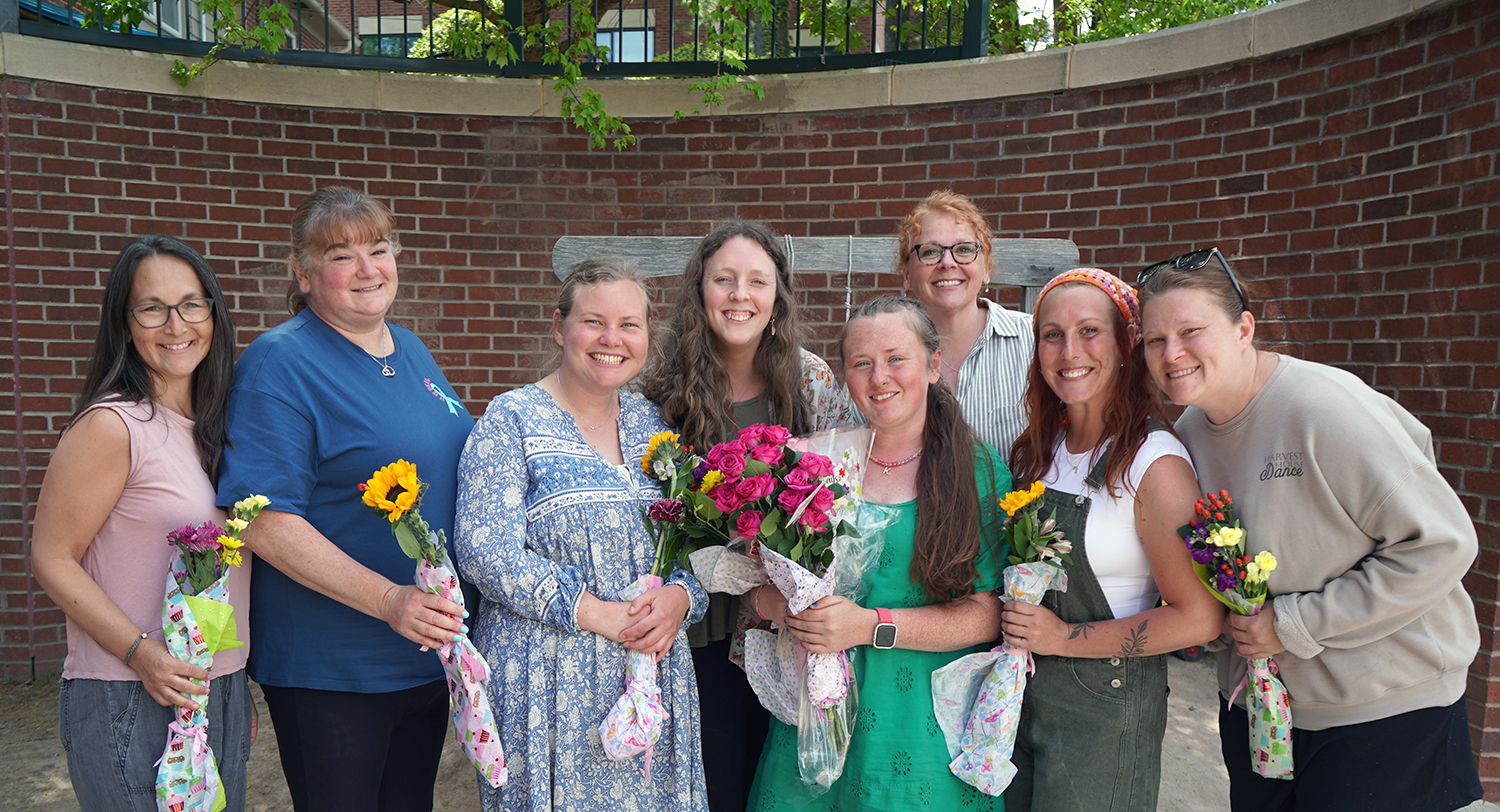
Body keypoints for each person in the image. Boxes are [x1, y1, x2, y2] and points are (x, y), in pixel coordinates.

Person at [1136, 248, 1482, 812]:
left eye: (1191, 330)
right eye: (1155, 340)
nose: (1172, 354)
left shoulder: (1324, 408)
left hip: (1380, 714)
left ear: (1244, 328)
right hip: (1261, 711)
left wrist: (1294, 624)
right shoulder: (1192, 429)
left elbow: (1444, 543)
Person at [216, 187, 475, 812]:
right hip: (332, 664)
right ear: (303, 275)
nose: (367, 269)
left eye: (378, 250)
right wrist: (389, 600)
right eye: (342, 255)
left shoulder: (408, 348)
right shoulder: (281, 363)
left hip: (418, 655)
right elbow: (262, 520)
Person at [456, 259, 709, 812]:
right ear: (559, 327)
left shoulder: (654, 425)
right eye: (594, 321)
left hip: (650, 674)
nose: (611, 339)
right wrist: (592, 610)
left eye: (629, 325)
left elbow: (695, 540)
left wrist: (682, 598)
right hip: (549, 679)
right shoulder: (511, 420)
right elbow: (484, 548)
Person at [747, 296, 1009, 812]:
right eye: (861, 363)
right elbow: (755, 591)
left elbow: (991, 614)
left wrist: (869, 626)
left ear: (934, 365)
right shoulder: (810, 462)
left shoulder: (974, 470)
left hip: (922, 724)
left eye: (896, 358)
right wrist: (787, 609)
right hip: (814, 718)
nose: (879, 377)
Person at [31, 235, 253, 811]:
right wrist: (142, 654)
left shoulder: (215, 429)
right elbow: (52, 558)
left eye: (191, 304)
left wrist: (232, 682)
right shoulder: (112, 426)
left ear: (213, 313)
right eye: (152, 307)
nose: (175, 324)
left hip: (213, 688)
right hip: (129, 690)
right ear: (125, 323)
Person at [638, 220, 852, 812]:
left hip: (785, 627)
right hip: (697, 628)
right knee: (715, 784)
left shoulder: (808, 379)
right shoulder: (660, 386)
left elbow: (837, 494)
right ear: (699, 291)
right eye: (724, 280)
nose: (739, 295)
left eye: (756, 281)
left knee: (781, 786)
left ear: (776, 298)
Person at [999, 268, 1224, 812]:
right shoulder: (1039, 450)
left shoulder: (1154, 463)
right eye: (1052, 334)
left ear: (1127, 343)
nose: (1069, 350)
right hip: (1027, 699)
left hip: (1107, 710)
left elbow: (1199, 619)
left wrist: (1061, 638)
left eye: (1089, 331)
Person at [887, 190, 1034, 453]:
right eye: (930, 251)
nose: (947, 262)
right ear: (906, 274)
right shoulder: (880, 356)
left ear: (986, 268)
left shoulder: (1034, 341)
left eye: (964, 249)